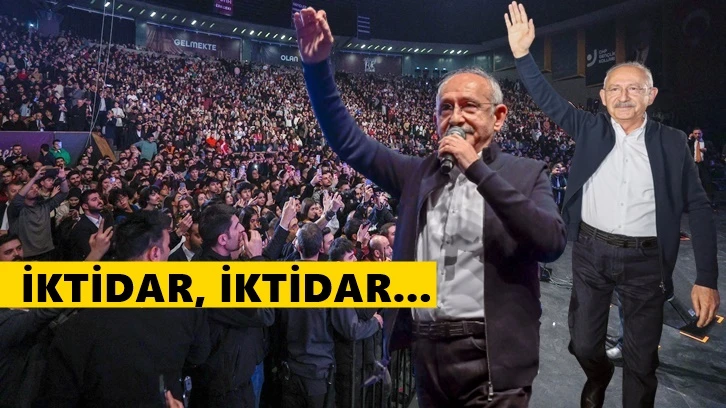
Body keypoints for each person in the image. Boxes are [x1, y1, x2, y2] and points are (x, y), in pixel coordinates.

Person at [295, 7, 566, 406]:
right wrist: (317, 68)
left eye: (469, 106)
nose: (455, 117)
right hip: (427, 351)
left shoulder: (526, 174)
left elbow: (551, 242)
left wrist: (476, 169)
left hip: (494, 358)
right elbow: (349, 141)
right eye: (446, 108)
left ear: (498, 117)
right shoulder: (418, 174)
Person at [505, 2, 720, 407]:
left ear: (651, 95)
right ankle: (598, 374)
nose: (624, 96)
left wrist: (706, 277)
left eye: (634, 88)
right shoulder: (589, 128)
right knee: (585, 344)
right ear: (602, 97)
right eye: (615, 89)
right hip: (591, 254)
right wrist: (522, 55)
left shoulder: (673, 143)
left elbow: (699, 206)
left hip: (647, 262)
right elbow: (548, 100)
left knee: (641, 362)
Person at [39, 211, 211, 407]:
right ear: (154, 254)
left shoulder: (75, 326)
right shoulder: (187, 309)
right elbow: (198, 356)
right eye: (167, 247)